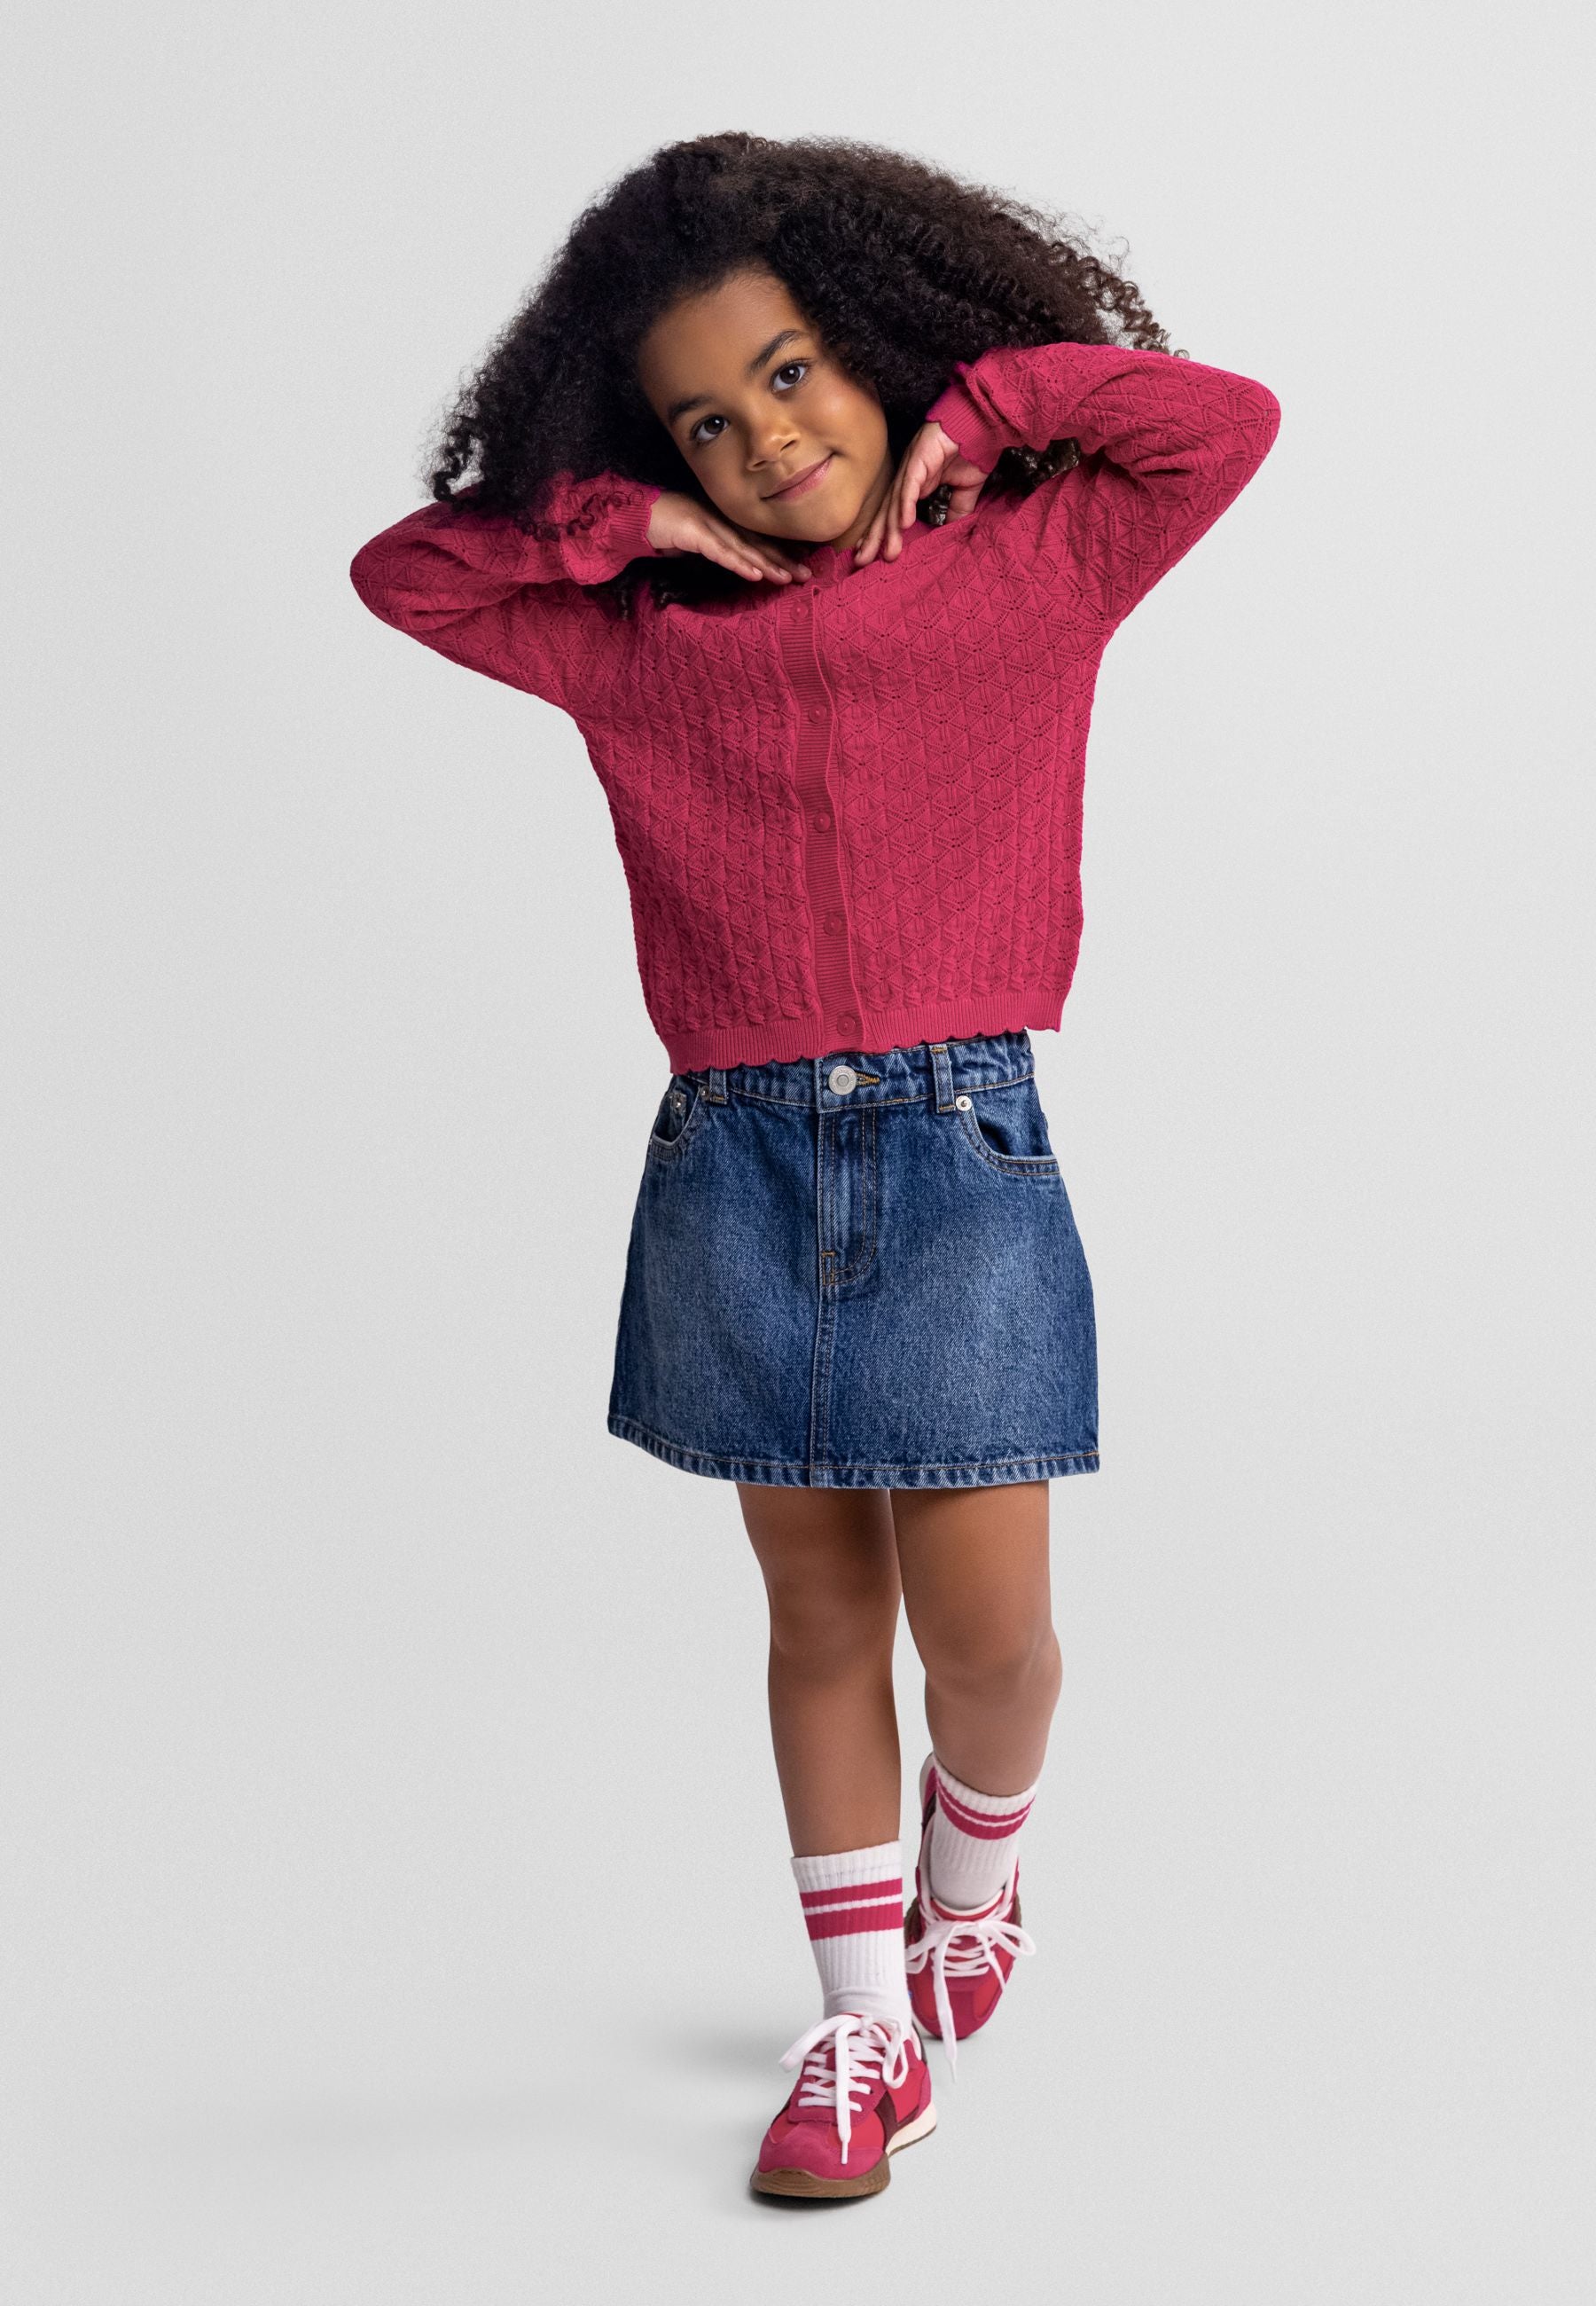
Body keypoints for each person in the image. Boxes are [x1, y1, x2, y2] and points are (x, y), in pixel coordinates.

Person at [348, 130, 1280, 2202]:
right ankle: (862, 2030)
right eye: (703, 413)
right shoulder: (637, 633)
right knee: (811, 1606)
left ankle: (982, 1870)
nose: (763, 436)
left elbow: (1222, 427)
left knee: (995, 1640)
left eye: (789, 374)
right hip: (734, 1164)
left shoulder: (1036, 562)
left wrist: (995, 406)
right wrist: (624, 516)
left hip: (962, 1150)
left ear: (870, 349)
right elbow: (410, 573)